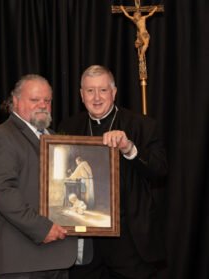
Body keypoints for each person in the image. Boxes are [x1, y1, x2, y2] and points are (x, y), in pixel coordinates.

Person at [58, 65, 168, 279]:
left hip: (130, 242)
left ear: (114, 92)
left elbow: (160, 170)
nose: (96, 97)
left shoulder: (142, 125)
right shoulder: (69, 126)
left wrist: (129, 149)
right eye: (90, 91)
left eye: (103, 90)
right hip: (86, 242)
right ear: (81, 95)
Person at [0, 74, 77, 279]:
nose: (42, 105)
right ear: (15, 101)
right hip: (21, 261)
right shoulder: (1, 136)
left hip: (57, 257)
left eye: (47, 100)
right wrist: (42, 228)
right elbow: (2, 191)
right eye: (34, 100)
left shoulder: (54, 137)